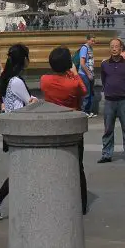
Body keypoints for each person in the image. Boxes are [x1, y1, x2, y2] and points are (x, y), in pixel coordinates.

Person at [0, 44, 34, 220]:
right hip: (20, 131)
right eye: (28, 55)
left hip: (12, 130)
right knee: (22, 170)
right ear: (24, 60)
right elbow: (30, 102)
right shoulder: (17, 81)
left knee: (21, 169)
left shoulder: (7, 78)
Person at [40, 46, 88, 214]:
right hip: (72, 125)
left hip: (52, 125)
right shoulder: (73, 83)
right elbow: (83, 90)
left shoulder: (44, 80)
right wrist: (74, 73)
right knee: (77, 165)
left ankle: (55, 199)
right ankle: (81, 204)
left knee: (54, 164)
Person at [98, 39, 125, 164]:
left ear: (121, 49)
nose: (114, 48)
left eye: (116, 46)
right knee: (108, 129)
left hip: (123, 100)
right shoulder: (104, 65)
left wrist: (124, 90)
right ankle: (107, 154)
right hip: (109, 101)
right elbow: (104, 80)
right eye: (112, 46)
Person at [78, 35, 97, 118]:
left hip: (90, 73)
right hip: (84, 74)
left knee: (91, 93)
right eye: (92, 41)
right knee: (86, 93)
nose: (93, 42)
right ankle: (84, 111)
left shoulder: (91, 48)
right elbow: (82, 63)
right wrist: (88, 74)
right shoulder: (84, 48)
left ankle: (89, 111)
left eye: (94, 41)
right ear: (88, 40)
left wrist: (92, 72)